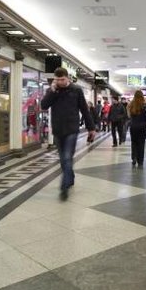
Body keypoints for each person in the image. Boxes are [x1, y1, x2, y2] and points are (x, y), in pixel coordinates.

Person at [41, 67, 96, 200]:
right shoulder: (53, 91)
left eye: (62, 79)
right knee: (63, 159)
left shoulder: (76, 90)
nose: (60, 82)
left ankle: (64, 187)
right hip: (58, 129)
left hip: (72, 128)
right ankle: (70, 177)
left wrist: (91, 128)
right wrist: (52, 91)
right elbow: (44, 105)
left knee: (67, 157)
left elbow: (84, 109)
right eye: (57, 80)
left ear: (68, 78)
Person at [128, 90, 146, 167]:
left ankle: (134, 158)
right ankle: (140, 161)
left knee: (134, 143)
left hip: (133, 127)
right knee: (141, 144)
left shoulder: (131, 105)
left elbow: (129, 116)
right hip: (142, 127)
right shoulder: (144, 105)